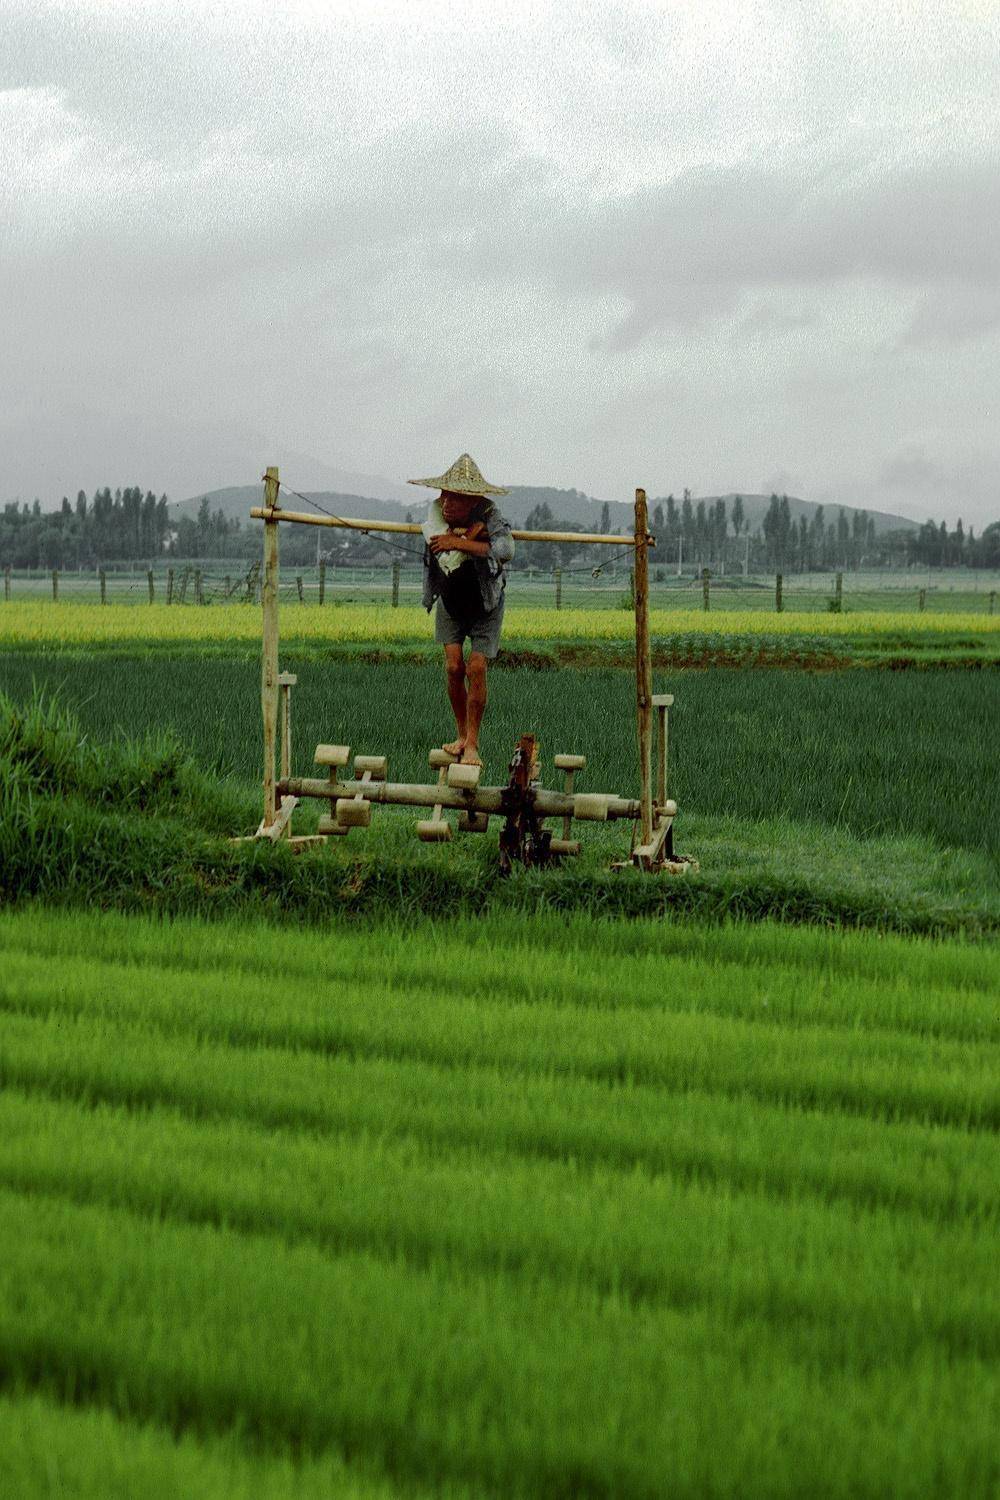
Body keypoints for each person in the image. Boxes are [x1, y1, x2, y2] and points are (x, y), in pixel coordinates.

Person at [408, 453, 514, 767]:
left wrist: (461, 543)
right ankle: (461, 736)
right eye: (444, 496)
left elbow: (506, 550)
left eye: (454, 498)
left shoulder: (490, 515)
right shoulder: (436, 517)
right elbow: (435, 545)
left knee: (476, 668)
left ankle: (473, 745)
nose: (447, 503)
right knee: (454, 667)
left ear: (471, 500)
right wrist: (461, 536)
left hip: (485, 602)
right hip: (450, 600)